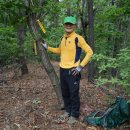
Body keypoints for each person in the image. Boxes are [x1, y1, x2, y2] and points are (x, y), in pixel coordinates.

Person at [41, 16, 93, 124]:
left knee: (73, 93)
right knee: (65, 92)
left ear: (74, 26)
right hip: (62, 70)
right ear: (64, 25)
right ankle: (68, 111)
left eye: (71, 24)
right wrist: (47, 47)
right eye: (66, 24)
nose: (68, 26)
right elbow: (59, 50)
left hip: (73, 71)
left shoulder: (78, 38)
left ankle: (74, 115)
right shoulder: (63, 38)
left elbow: (90, 52)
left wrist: (80, 67)